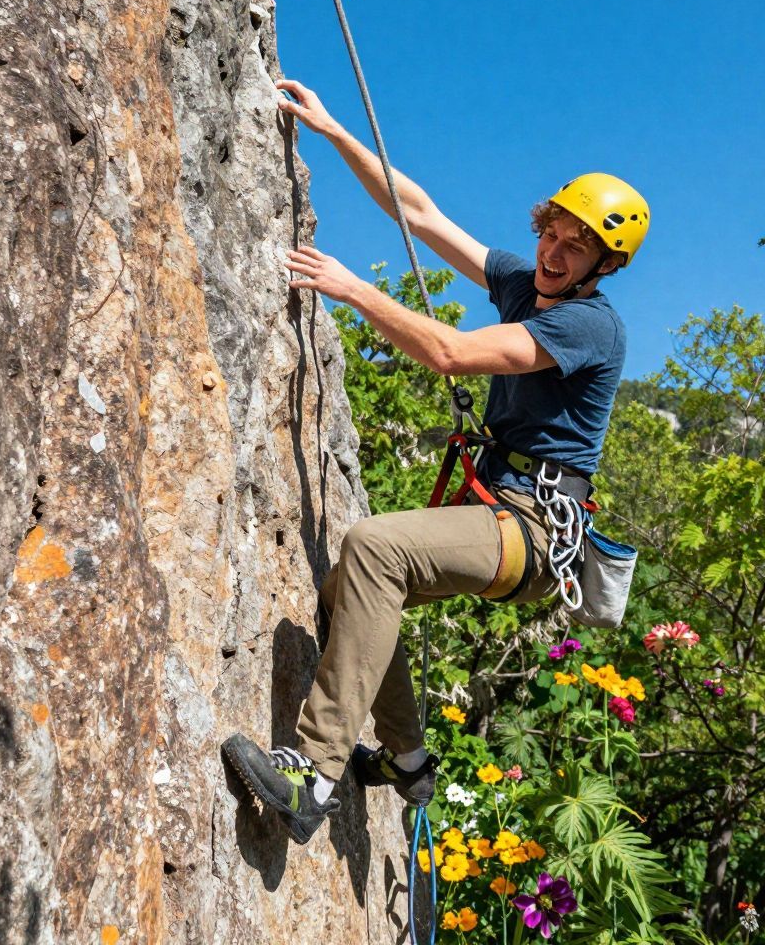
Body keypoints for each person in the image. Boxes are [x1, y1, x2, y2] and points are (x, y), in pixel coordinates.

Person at [221, 79, 647, 845]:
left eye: (576, 246)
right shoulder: (525, 285)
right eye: (553, 232)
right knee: (347, 586)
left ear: (602, 265)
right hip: (499, 507)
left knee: (373, 548)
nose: (553, 252)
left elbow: (451, 354)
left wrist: (352, 290)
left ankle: (312, 777)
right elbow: (420, 214)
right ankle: (408, 758)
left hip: (536, 531)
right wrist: (334, 131)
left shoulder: (590, 327)